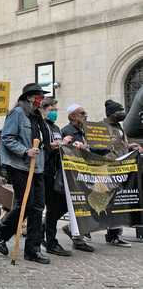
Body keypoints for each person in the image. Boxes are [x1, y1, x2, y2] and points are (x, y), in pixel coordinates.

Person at [0, 83, 50, 264]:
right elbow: (7, 138)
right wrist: (25, 151)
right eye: (39, 96)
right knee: (27, 204)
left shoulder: (38, 117)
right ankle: (1, 233)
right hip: (20, 166)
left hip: (37, 167)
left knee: (38, 206)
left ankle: (33, 249)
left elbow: (42, 140)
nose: (41, 100)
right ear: (30, 97)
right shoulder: (17, 113)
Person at [60, 104, 96, 252]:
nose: (85, 115)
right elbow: (65, 151)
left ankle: (73, 230)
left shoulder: (82, 130)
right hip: (73, 175)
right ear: (73, 116)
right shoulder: (67, 131)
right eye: (82, 113)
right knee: (77, 205)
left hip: (82, 173)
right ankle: (77, 238)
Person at [100, 100, 135, 247]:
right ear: (111, 114)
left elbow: (121, 144)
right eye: (119, 111)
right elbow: (98, 147)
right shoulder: (101, 127)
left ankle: (114, 234)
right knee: (105, 201)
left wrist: (129, 147)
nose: (122, 114)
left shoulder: (118, 126)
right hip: (107, 169)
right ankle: (76, 229)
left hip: (120, 168)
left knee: (116, 202)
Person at [40, 98, 72, 257]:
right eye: (52, 109)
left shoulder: (56, 127)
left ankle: (43, 232)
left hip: (56, 172)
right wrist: (60, 143)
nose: (54, 112)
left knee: (60, 206)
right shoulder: (42, 125)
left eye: (56, 109)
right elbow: (45, 146)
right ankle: (50, 241)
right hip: (44, 172)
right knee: (51, 207)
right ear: (44, 109)